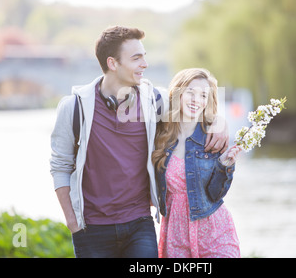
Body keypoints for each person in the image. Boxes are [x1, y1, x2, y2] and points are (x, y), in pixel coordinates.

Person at [49, 26, 229, 258]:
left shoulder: (156, 101)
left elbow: (194, 106)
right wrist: (72, 222)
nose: (145, 64)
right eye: (137, 58)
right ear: (113, 63)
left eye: (144, 56)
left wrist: (219, 121)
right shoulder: (74, 108)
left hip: (139, 224)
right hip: (91, 229)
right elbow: (60, 166)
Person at [152, 68, 242, 258]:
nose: (196, 100)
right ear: (178, 93)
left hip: (214, 230)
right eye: (190, 92)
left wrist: (225, 165)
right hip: (176, 233)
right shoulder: (161, 134)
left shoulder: (213, 136)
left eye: (203, 95)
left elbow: (215, 193)